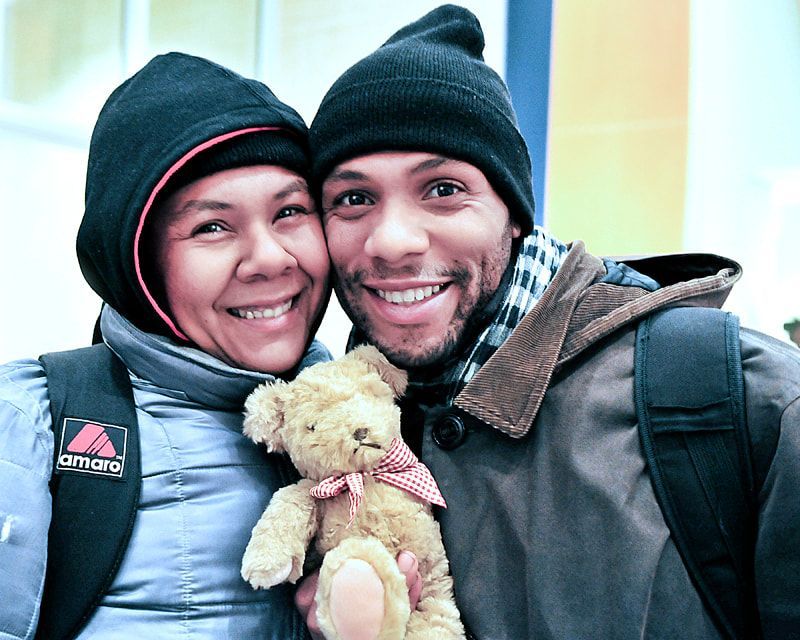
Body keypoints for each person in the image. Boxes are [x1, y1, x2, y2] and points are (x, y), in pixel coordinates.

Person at [297, 5, 800, 639]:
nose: (392, 241)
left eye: (443, 189)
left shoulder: (740, 397)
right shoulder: (336, 428)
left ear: (512, 213)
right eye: (354, 198)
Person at [0, 52, 332, 639]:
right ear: (140, 265)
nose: (270, 259)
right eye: (212, 227)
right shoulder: (32, 422)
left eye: (290, 212)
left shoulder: (367, 425)